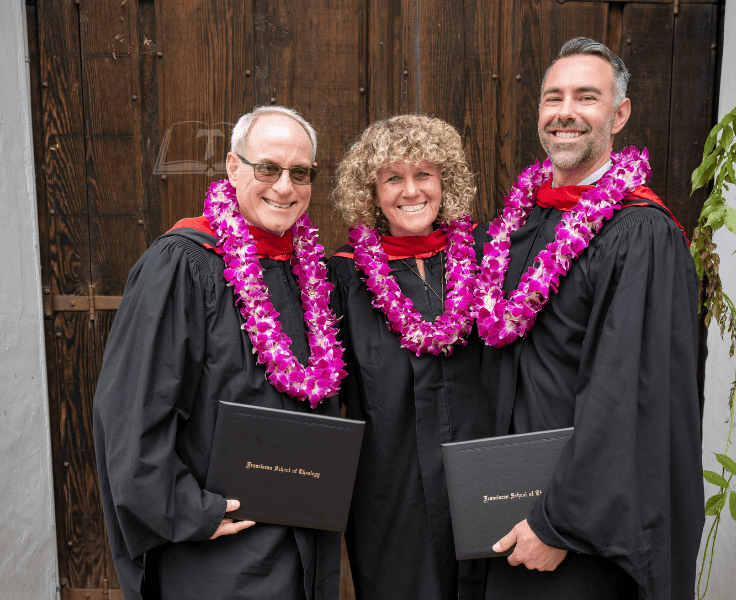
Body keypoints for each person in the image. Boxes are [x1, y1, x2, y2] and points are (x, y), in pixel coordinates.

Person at [477, 38, 704, 599]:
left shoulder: (640, 232)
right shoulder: (518, 224)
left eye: (587, 97)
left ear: (619, 113)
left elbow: (627, 395)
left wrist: (560, 524)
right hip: (506, 510)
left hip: (579, 531)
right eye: (553, 98)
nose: (565, 113)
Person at [93, 106, 345, 600]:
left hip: (299, 545)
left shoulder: (307, 274)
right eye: (268, 168)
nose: (284, 187)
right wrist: (189, 511)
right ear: (233, 167)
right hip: (219, 548)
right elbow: (129, 411)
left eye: (301, 173)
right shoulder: (183, 264)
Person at [328, 114, 488, 600]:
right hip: (388, 483)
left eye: (424, 174)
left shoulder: (487, 258)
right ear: (371, 192)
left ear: (446, 182)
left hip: (482, 472)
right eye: (393, 177)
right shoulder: (343, 277)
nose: (410, 190)